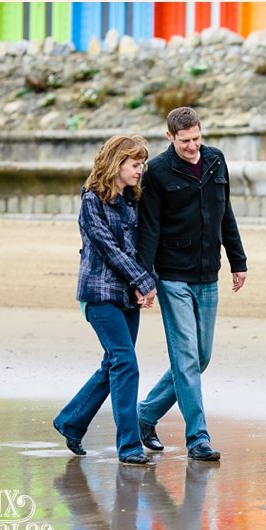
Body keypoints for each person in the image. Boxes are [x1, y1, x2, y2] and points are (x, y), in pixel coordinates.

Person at [136, 107, 248, 462]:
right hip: (171, 276)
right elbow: (149, 227)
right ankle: (197, 438)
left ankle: (144, 414)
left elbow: (224, 212)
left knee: (200, 357)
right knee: (185, 359)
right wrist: (145, 279)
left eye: (197, 138)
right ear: (170, 137)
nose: (193, 146)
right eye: (185, 141)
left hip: (207, 272)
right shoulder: (155, 172)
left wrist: (238, 260)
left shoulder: (216, 161)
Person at [53, 135, 158, 466]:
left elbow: (142, 246)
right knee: (125, 363)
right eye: (135, 164)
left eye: (142, 164)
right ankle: (129, 446)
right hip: (99, 294)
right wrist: (143, 280)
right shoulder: (91, 200)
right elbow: (107, 248)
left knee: (113, 363)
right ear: (117, 163)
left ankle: (71, 421)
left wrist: (145, 282)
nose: (141, 170)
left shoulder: (134, 200)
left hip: (127, 295)